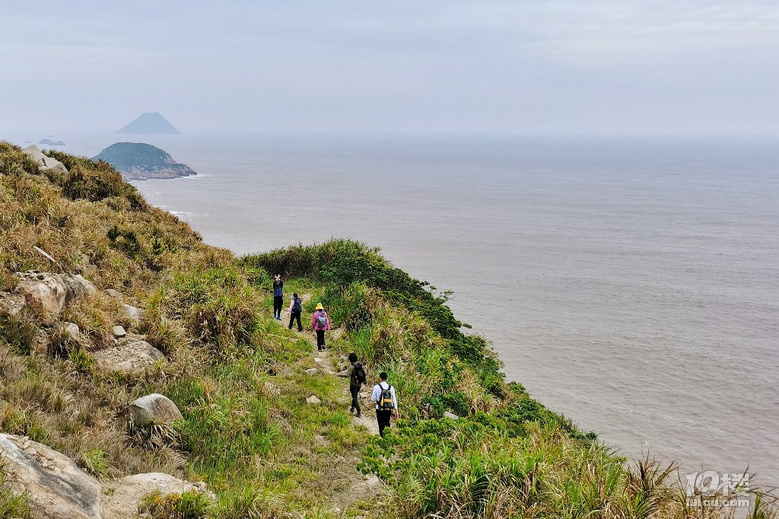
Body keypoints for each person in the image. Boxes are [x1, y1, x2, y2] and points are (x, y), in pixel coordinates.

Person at [371, 372, 398, 438]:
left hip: (379, 409)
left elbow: (372, 399)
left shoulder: (376, 387)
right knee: (387, 422)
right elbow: (394, 399)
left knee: (381, 424)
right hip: (388, 409)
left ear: (380, 378)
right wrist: (396, 410)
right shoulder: (391, 388)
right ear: (386, 378)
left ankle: (382, 438)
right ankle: (388, 437)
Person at [338, 352, 364, 417]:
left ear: (350, 359)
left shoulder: (352, 367)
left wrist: (338, 374)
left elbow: (347, 375)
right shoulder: (359, 365)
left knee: (354, 397)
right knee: (355, 396)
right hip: (359, 384)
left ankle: (359, 411)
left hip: (353, 384)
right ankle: (352, 408)